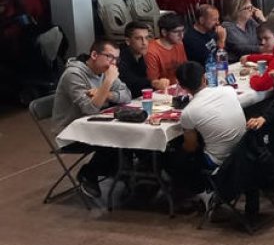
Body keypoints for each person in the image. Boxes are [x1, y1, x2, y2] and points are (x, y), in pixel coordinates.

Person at [52, 39, 132, 197]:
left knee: (129, 135)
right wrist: (108, 82)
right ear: (94, 54)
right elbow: (89, 108)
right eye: (109, 57)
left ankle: (125, 172)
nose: (113, 63)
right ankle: (89, 173)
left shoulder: (104, 71)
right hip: (70, 130)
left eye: (116, 59)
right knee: (117, 139)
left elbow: (127, 95)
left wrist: (105, 94)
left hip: (96, 124)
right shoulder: (74, 74)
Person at [170, 61, 247, 194]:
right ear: (204, 78)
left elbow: (191, 147)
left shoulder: (189, 112)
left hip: (218, 159)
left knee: (174, 158)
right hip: (243, 150)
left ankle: (196, 192)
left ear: (182, 86)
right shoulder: (228, 91)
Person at [145, 13, 188, 86]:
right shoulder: (151, 51)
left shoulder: (179, 43)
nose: (181, 35)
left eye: (182, 31)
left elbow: (185, 68)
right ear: (164, 32)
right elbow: (153, 82)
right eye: (176, 32)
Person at [117, 20, 154, 95]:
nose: (144, 43)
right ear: (128, 41)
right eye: (138, 38)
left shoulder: (140, 55)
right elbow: (131, 83)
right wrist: (153, 83)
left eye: (146, 38)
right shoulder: (119, 58)